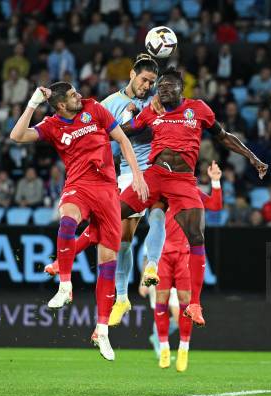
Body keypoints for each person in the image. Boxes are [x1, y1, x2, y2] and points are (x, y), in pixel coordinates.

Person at [9, 82, 148, 361]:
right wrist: (33, 104)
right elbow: (17, 135)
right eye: (73, 95)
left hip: (108, 190)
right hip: (79, 185)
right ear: (61, 104)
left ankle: (102, 331)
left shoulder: (94, 109)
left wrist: (138, 175)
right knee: (68, 220)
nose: (79, 96)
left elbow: (122, 139)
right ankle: (65, 286)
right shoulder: (52, 125)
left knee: (108, 260)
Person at [120, 67, 268, 326]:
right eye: (160, 86)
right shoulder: (152, 111)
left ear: (181, 89)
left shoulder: (198, 109)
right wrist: (128, 115)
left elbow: (223, 137)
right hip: (154, 175)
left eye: (168, 86)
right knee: (113, 211)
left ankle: (196, 305)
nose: (162, 89)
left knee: (197, 235)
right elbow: (124, 131)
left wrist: (252, 157)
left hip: (183, 181)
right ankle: (70, 257)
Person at [44, 55, 164, 327]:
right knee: (121, 237)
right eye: (144, 80)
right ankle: (121, 296)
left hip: (154, 170)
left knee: (155, 215)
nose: (148, 86)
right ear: (132, 74)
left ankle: (149, 266)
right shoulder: (109, 104)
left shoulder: (160, 100)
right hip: (121, 175)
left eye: (152, 82)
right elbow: (103, 140)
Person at [155, 161, 223, 371]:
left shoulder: (193, 192)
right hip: (163, 254)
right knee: (161, 301)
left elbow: (215, 206)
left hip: (185, 254)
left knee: (186, 303)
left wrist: (215, 181)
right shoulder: (161, 190)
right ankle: (164, 347)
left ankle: (183, 348)